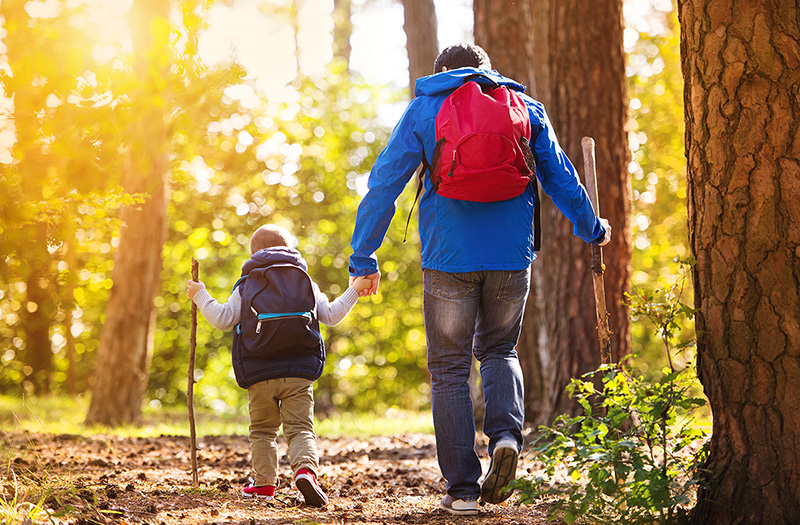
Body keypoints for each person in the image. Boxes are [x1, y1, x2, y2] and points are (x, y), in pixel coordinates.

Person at [347, 43, 612, 516]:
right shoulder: (525, 108)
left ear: (440, 73)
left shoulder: (425, 108)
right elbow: (562, 178)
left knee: (448, 369)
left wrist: (363, 256)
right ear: (487, 72)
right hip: (511, 258)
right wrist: (593, 227)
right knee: (499, 350)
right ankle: (507, 437)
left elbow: (384, 183)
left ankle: (463, 490)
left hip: (448, 259)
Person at [187, 224, 372, 507]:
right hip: (299, 371)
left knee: (262, 431)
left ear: (253, 253)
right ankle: (306, 471)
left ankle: (263, 485)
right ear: (290, 250)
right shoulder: (306, 281)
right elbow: (332, 316)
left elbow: (223, 319)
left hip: (258, 371)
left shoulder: (247, 283)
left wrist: (200, 293)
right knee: (300, 429)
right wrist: (355, 290)